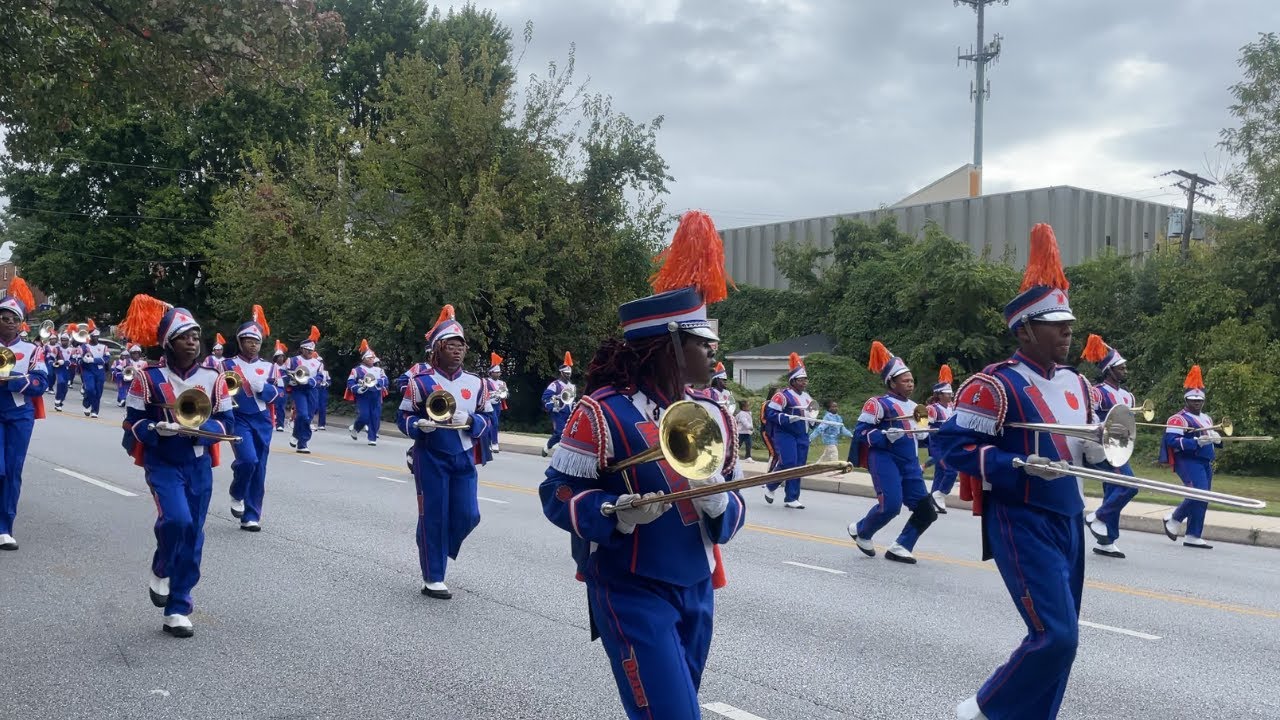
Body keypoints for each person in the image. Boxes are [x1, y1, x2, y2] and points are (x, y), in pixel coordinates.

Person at [539, 209, 745, 720]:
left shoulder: (715, 412)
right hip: (629, 586)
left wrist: (719, 499)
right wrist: (612, 511)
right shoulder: (602, 410)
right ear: (670, 346)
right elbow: (556, 493)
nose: (713, 353)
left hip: (697, 585)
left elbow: (736, 505)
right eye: (703, 342)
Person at [937, 223, 1094, 720]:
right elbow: (950, 447)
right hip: (1022, 516)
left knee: (1064, 642)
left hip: (1069, 515)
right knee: (1055, 636)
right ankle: (981, 710)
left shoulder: (1078, 384)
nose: (1067, 330)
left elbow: (1089, 445)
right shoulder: (993, 386)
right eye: (1055, 322)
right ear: (1025, 329)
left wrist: (1099, 454)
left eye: (1068, 320)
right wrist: (1017, 464)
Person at [118, 294, 235, 637]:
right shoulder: (147, 377)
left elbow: (227, 424)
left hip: (197, 462)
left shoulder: (214, 378)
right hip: (163, 461)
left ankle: (179, 605)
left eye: (196, 336)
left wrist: (201, 432)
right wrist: (155, 429)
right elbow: (132, 422)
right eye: (185, 336)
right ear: (169, 343)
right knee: (177, 520)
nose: (192, 342)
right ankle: (162, 565)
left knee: (194, 534)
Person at [397, 305, 490, 599]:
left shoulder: (477, 383)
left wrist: (473, 421)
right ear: (437, 348)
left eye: (461, 346)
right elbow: (403, 418)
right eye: (451, 345)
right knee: (435, 516)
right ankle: (433, 576)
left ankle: (428, 539)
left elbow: (491, 420)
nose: (458, 351)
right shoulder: (420, 382)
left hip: (463, 454)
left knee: (468, 515)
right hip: (431, 454)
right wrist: (417, 425)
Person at [847, 341, 937, 564]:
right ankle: (862, 530)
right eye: (905, 380)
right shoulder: (877, 403)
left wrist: (930, 430)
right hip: (885, 458)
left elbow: (923, 438)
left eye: (911, 380)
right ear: (892, 382)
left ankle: (900, 546)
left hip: (910, 462)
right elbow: (861, 432)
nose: (910, 384)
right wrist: (884, 435)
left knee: (927, 510)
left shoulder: (919, 408)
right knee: (891, 506)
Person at [0, 277, 48, 551]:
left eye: (13, 319)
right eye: (3, 317)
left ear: (20, 324)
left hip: (19, 414)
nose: (8, 322)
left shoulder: (32, 350)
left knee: (13, 470)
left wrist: (17, 379)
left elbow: (42, 382)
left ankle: (5, 527)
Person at [1080, 334, 1139, 558]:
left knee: (1114, 490)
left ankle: (1107, 540)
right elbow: (1089, 416)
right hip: (1103, 447)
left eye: (1125, 368)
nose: (1125, 371)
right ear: (1109, 370)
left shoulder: (1128, 396)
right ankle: (1097, 517)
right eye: (1121, 368)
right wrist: (1101, 425)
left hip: (1122, 446)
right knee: (1129, 485)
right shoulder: (1097, 391)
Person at [224, 306, 281, 531]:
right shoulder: (225, 365)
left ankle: (251, 515)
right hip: (237, 418)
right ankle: (237, 492)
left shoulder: (269, 367)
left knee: (260, 468)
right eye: (248, 340)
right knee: (248, 460)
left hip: (261, 420)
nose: (253, 345)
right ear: (240, 342)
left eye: (256, 341)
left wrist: (264, 389)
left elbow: (281, 394)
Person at [1160, 365, 1221, 550]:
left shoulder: (1207, 418)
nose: (1197, 403)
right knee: (1198, 493)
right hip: (1187, 460)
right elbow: (1171, 440)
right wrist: (1195, 442)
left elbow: (1210, 438)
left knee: (1204, 496)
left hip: (1204, 461)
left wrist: (1217, 440)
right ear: (1186, 400)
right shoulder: (1177, 419)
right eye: (1193, 400)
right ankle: (1174, 518)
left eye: (1200, 400)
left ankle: (1194, 534)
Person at [763, 354, 813, 508]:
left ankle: (791, 498)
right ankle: (771, 485)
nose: (804, 383)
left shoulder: (807, 396)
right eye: (801, 380)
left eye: (805, 380)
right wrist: (786, 418)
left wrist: (812, 421)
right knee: (789, 462)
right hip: (785, 433)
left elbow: (812, 412)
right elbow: (769, 414)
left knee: (799, 466)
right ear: (793, 381)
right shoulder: (782, 396)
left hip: (802, 435)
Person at [285, 326, 323, 453]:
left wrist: (312, 381)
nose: (309, 352)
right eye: (307, 350)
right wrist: (290, 380)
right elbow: (284, 373)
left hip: (312, 390)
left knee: (308, 417)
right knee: (302, 415)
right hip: (299, 390)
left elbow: (320, 376)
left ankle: (297, 436)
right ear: (302, 349)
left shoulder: (318, 363)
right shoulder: (293, 360)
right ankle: (303, 442)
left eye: (311, 350)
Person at [345, 339, 388, 446]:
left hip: (376, 395)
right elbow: (350, 382)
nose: (371, 360)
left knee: (375, 416)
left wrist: (377, 382)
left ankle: (372, 437)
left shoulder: (379, 370)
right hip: (363, 395)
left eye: (373, 358)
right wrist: (356, 388)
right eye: (369, 358)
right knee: (364, 416)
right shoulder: (357, 370)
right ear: (364, 359)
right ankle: (356, 428)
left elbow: (385, 380)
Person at [927, 365, 957, 513]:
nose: (950, 395)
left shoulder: (952, 407)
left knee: (940, 473)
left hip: (950, 444)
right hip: (938, 445)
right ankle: (940, 494)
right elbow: (925, 427)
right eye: (946, 393)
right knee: (951, 471)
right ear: (939, 395)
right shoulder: (933, 408)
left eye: (950, 393)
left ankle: (932, 503)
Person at [540, 353, 576, 457]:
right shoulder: (555, 385)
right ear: (561, 373)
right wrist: (553, 404)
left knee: (569, 433)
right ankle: (548, 446)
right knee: (560, 432)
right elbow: (545, 397)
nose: (568, 375)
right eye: (566, 373)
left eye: (569, 373)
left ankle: (563, 452)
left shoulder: (572, 386)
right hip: (558, 411)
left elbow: (572, 399)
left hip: (569, 412)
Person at [79, 320, 108, 417]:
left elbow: (107, 358)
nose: (95, 338)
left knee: (98, 392)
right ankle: (87, 403)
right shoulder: (84, 347)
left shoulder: (104, 347)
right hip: (88, 370)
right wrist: (84, 360)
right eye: (93, 336)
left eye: (97, 336)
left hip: (99, 371)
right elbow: (78, 359)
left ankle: (95, 411)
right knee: (90, 389)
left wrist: (94, 360)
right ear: (90, 337)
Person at [809, 399, 853, 463]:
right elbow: (820, 429)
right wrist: (810, 438)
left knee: (826, 456)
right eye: (833, 407)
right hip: (828, 440)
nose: (835, 408)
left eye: (836, 406)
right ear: (829, 408)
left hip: (835, 440)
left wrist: (851, 435)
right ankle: (834, 468)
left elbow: (842, 429)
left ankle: (816, 466)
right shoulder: (827, 418)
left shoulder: (838, 417)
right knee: (834, 453)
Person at [482, 353, 507, 454]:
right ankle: (494, 443)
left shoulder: (502, 383)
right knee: (494, 423)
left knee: (492, 424)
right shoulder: (485, 381)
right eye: (496, 372)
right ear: (491, 373)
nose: (498, 374)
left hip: (497, 405)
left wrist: (503, 393)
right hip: (488, 404)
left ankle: (487, 444)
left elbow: (505, 394)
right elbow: (483, 393)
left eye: (499, 372)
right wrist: (492, 395)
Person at [50, 333, 75, 412]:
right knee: (60, 382)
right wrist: (53, 363)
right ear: (60, 341)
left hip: (67, 369)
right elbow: (50, 359)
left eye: (66, 340)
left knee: (65, 387)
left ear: (68, 341)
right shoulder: (56, 349)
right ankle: (57, 399)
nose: (64, 342)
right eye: (62, 340)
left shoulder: (72, 350)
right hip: (59, 369)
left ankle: (60, 402)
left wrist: (65, 362)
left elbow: (74, 361)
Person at [271, 341, 288, 432]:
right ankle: (272, 422)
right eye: (279, 357)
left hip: (282, 389)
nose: (281, 358)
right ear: (275, 358)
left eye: (282, 356)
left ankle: (280, 424)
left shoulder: (286, 368)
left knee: (281, 407)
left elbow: (288, 380)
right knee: (273, 406)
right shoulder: (272, 367)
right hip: (274, 388)